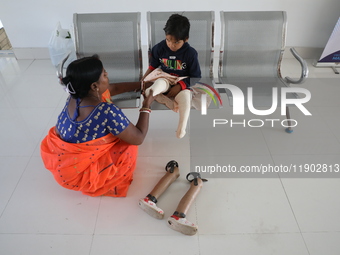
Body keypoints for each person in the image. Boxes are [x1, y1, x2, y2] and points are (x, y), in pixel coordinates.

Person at [40, 56, 154, 197]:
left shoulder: (74, 95)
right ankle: (107, 185)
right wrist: (147, 105)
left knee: (108, 109)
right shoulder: (106, 111)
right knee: (129, 147)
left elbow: (113, 88)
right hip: (80, 177)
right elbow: (138, 137)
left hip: (63, 166)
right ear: (94, 86)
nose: (108, 77)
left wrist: (143, 85)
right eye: (105, 75)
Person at [142, 14, 201, 138]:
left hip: (182, 82)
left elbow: (196, 76)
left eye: (176, 42)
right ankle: (157, 95)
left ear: (186, 39)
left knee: (185, 98)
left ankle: (182, 127)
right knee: (155, 86)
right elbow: (153, 66)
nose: (171, 45)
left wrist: (180, 86)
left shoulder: (190, 54)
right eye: (168, 40)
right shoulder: (159, 48)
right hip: (165, 78)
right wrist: (144, 79)